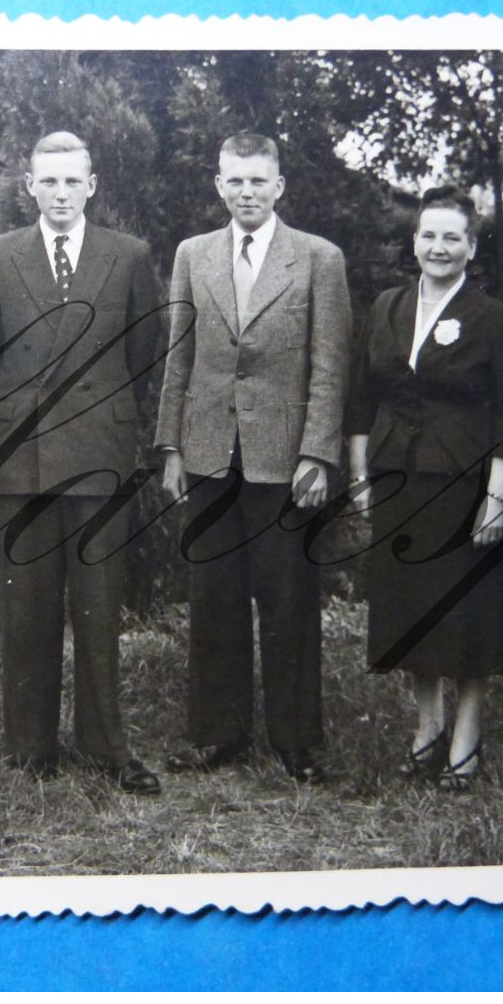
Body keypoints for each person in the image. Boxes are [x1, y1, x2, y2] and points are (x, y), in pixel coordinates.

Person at [0, 131, 165, 794]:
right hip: (22, 456)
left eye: (70, 181)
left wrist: (101, 420)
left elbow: (144, 355)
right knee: (27, 608)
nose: (58, 194)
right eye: (46, 181)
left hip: (99, 457)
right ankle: (29, 748)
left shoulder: (129, 256)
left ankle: (107, 748)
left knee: (99, 607)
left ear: (91, 185)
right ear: (28, 186)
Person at [156, 132, 352, 784]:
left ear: (278, 186)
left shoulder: (318, 259)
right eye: (234, 180)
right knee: (212, 599)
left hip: (283, 462)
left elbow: (329, 365)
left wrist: (317, 454)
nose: (245, 191)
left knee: (288, 600)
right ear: (219, 184)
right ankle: (218, 735)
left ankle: (297, 742)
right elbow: (177, 358)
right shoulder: (193, 256)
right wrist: (172, 447)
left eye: (257, 181)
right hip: (211, 454)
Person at [345, 186, 503, 790]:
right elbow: (361, 399)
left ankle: (466, 740)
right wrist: (361, 476)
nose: (438, 247)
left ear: (471, 248)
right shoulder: (387, 306)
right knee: (411, 609)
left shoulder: (493, 317)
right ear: (414, 241)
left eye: (452, 237)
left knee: (467, 615)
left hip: (465, 484)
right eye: (429, 235)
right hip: (398, 479)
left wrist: (497, 497)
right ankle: (427, 729)